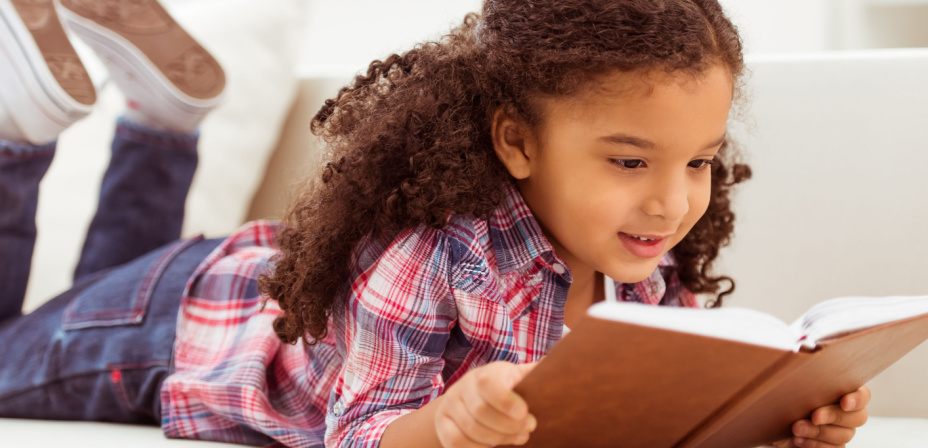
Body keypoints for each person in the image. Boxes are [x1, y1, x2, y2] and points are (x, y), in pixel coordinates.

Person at [0, 0, 871, 447]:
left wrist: (782, 423)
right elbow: (362, 433)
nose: (673, 202)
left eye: (699, 161)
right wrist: (446, 426)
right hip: (182, 326)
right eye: (630, 160)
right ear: (517, 141)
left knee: (75, 297)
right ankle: (21, 133)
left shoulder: (645, 272)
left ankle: (161, 123)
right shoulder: (435, 253)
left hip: (199, 288)